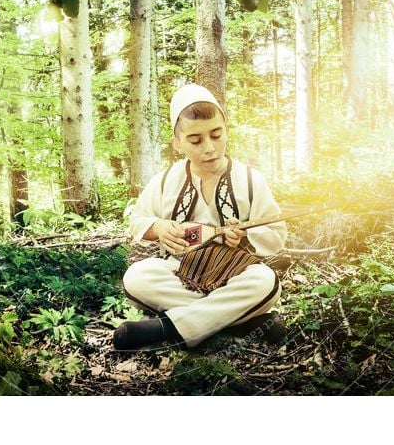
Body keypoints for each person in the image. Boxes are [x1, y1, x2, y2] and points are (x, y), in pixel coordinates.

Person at [114, 83, 287, 351]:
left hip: (235, 274)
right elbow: (137, 222)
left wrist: (245, 237)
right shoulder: (165, 181)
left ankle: (167, 328)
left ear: (226, 131)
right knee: (136, 276)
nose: (209, 148)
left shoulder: (251, 180)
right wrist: (159, 228)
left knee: (265, 282)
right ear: (178, 143)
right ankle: (238, 322)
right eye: (195, 141)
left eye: (217, 135)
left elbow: (276, 234)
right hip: (181, 273)